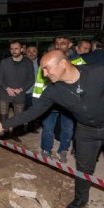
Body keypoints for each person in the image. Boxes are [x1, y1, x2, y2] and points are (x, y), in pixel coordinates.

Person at [0, 50, 104, 208]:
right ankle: (80, 199)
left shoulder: (99, 71)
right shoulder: (53, 91)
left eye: (47, 69)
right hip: (86, 131)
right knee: (83, 167)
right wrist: (1, 125)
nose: (44, 74)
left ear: (62, 64)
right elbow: (32, 113)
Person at [33, 34, 84, 162]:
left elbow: (85, 83)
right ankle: (46, 149)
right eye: (57, 43)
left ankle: (63, 150)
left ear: (70, 45)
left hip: (69, 105)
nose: (59, 46)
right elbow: (39, 83)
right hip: (51, 103)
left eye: (63, 43)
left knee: (68, 129)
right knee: (48, 129)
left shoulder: (79, 62)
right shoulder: (48, 59)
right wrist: (36, 104)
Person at [0, 40, 35, 142]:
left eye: (16, 48)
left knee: (18, 117)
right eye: (12, 48)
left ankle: (15, 134)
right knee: (3, 116)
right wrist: (7, 88)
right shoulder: (4, 62)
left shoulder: (28, 63)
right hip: (5, 94)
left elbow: (31, 79)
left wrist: (21, 89)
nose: (14, 50)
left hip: (20, 95)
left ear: (22, 49)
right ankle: (5, 133)